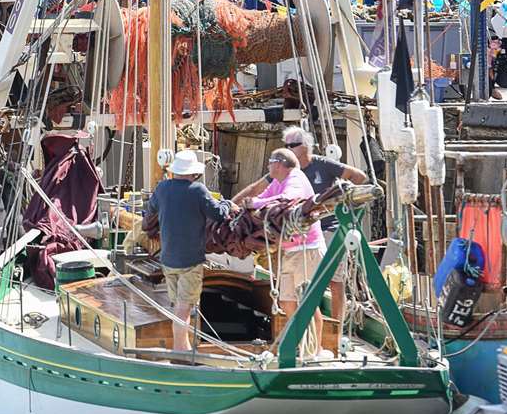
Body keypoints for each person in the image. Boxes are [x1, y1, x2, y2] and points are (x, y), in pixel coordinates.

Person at [236, 129, 366, 321]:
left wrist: (345, 203)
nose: (286, 149)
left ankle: (336, 332)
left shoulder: (321, 166)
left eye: (290, 146)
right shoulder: (283, 173)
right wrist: (233, 204)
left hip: (330, 229)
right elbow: (257, 189)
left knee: (335, 282)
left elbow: (358, 176)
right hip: (301, 234)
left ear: (304, 147)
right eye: (285, 146)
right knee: (299, 291)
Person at [143, 149, 231, 351]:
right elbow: (219, 215)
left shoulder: (162, 188)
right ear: (193, 173)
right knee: (184, 307)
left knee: (178, 304)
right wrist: (226, 203)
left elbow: (150, 212)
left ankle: (183, 344)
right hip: (190, 261)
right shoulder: (197, 190)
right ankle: (181, 348)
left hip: (168, 260)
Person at [245, 148, 326, 357]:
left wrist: (256, 204)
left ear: (280, 163)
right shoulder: (277, 181)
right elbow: (264, 197)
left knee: (306, 301)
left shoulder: (295, 178)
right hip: (290, 251)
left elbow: (288, 198)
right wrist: (249, 205)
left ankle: (315, 350)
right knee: (287, 301)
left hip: (306, 250)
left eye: (270, 162)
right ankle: (299, 344)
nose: (268, 166)